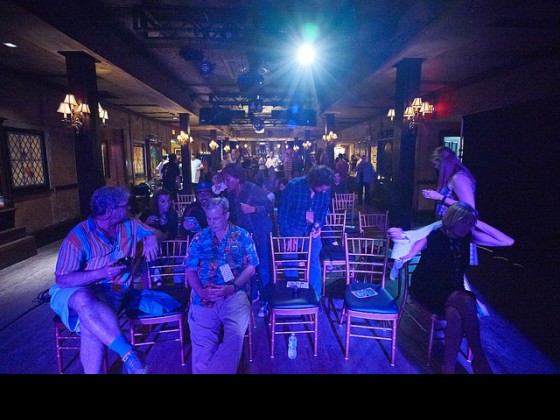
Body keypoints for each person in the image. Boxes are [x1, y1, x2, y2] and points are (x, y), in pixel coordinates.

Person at [388, 202, 514, 374]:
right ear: (453, 219)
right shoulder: (432, 237)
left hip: (452, 291)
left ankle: (448, 367)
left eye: (470, 224)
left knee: (455, 314)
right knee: (464, 299)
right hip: (427, 288)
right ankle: (479, 358)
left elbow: (507, 241)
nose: (467, 227)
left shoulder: (468, 237)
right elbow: (407, 255)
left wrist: (476, 222)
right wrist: (404, 255)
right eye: (465, 222)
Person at [48, 185, 163, 374]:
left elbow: (158, 233)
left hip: (111, 292)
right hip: (74, 291)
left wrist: (151, 237)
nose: (129, 209)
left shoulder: (131, 225)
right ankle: (129, 354)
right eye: (125, 205)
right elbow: (62, 280)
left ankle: (127, 356)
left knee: (90, 323)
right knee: (84, 298)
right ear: (110, 211)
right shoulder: (79, 236)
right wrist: (100, 273)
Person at [185, 197, 258, 374]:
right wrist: (201, 292)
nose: (211, 222)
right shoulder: (199, 238)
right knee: (202, 344)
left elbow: (252, 267)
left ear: (226, 215)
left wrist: (232, 286)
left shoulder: (242, 236)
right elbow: (190, 270)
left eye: (216, 218)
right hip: (204, 295)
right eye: (208, 218)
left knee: (236, 336)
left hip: (233, 293)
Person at [222, 163, 274, 318]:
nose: (226, 182)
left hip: (260, 234)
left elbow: (269, 207)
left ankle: (266, 303)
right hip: (244, 238)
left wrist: (253, 209)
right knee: (243, 267)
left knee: (262, 269)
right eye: (225, 179)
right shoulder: (231, 194)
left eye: (228, 179)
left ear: (238, 178)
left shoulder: (252, 189)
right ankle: (251, 296)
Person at [277, 165, 334, 302]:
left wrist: (318, 226)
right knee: (291, 263)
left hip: (311, 231)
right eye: (322, 188)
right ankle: (294, 296)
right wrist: (288, 236)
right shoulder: (294, 186)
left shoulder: (325, 191)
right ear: (314, 182)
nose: (324, 191)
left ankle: (315, 298)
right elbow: (282, 215)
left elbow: (322, 211)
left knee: (314, 263)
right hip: (292, 229)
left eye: (326, 189)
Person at [421, 146, 476, 217]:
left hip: (456, 225)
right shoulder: (451, 177)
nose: (435, 167)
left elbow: (469, 207)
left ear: (443, 163)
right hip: (446, 223)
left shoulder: (459, 178)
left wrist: (440, 197)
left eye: (436, 164)